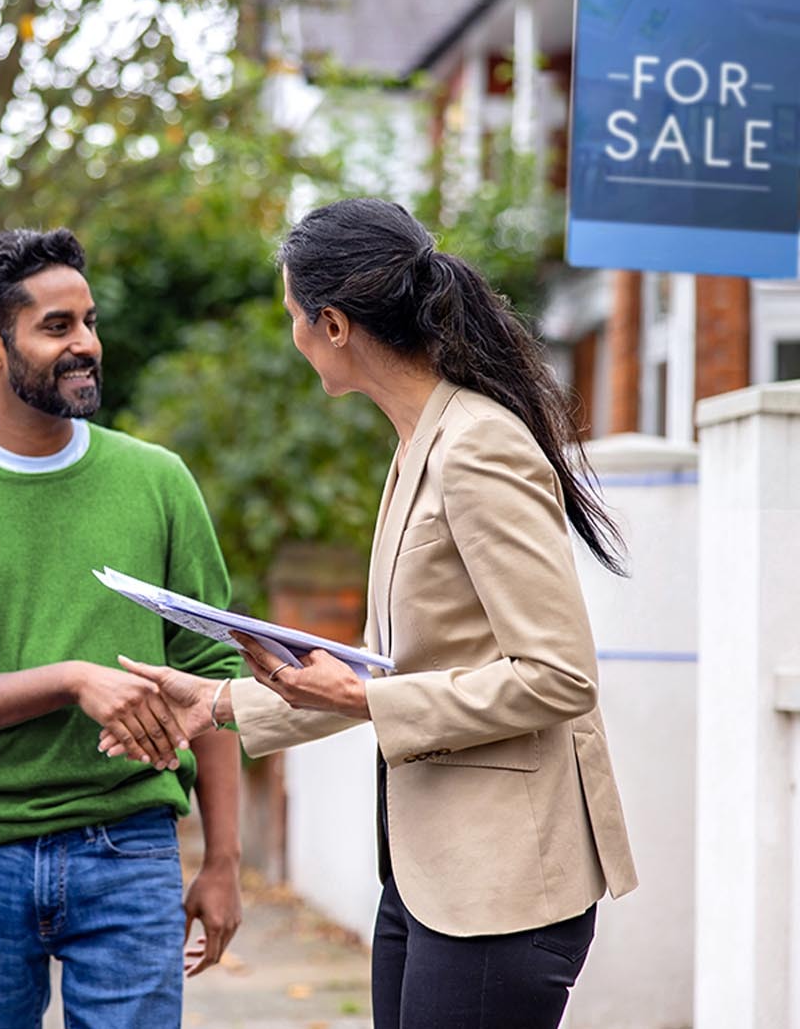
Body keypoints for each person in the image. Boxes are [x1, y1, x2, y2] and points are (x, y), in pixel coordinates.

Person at [111, 198, 638, 1029]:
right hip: (430, 875)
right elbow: (389, 671)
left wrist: (363, 697)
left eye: (294, 316)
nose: (293, 337)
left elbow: (558, 676)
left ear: (333, 324)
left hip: (502, 889)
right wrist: (213, 704)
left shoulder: (479, 445)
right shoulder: (419, 442)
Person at [0, 228, 244, 1028]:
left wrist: (223, 860)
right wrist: (70, 680)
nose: (86, 345)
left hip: (130, 845)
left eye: (89, 322)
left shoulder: (159, 483)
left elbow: (213, 679)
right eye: (58, 326)